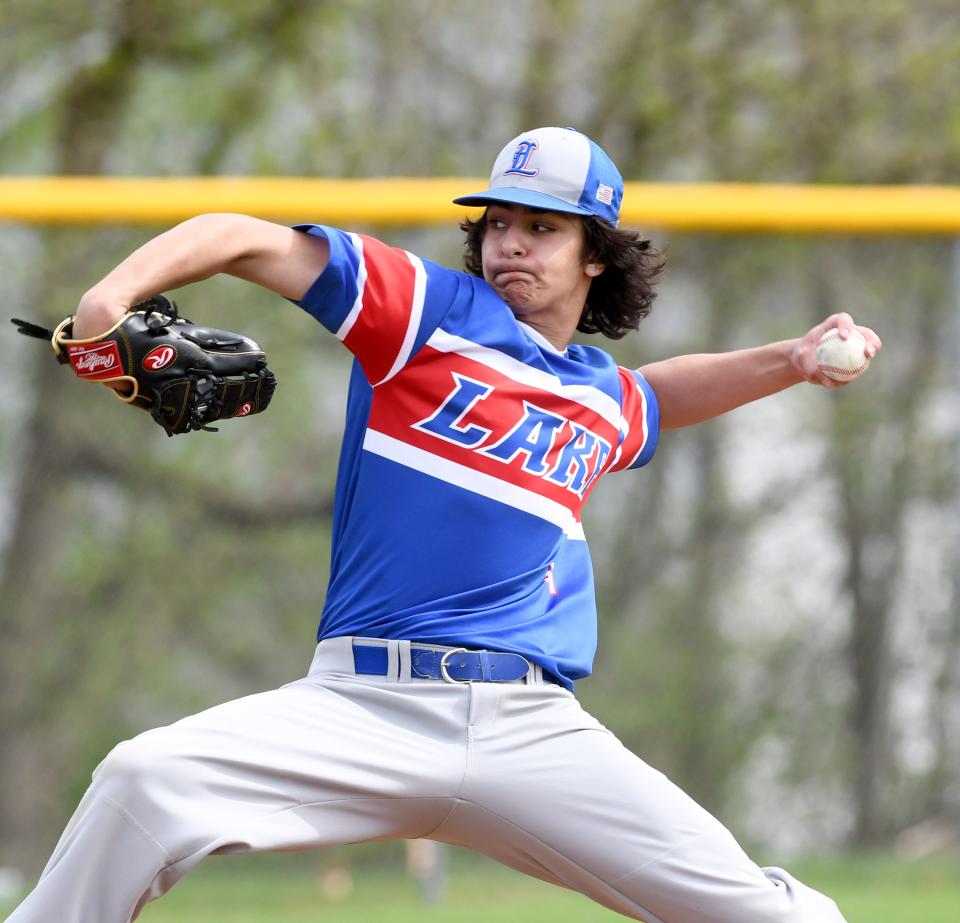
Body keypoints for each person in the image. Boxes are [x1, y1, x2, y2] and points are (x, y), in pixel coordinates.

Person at [9, 126, 880, 923]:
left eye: (542, 227)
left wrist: (793, 359)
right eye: (499, 221)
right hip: (362, 705)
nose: (510, 242)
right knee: (142, 781)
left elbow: (658, 395)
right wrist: (113, 294)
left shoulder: (597, 397)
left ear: (596, 257)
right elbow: (245, 235)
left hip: (531, 729)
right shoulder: (423, 311)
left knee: (777, 919)